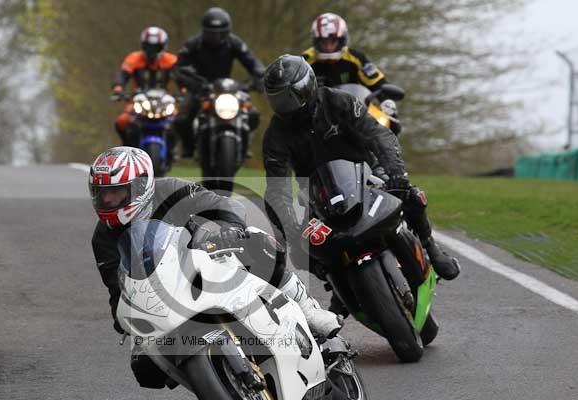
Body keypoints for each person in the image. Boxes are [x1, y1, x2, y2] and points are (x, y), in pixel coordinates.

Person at [90, 146, 342, 388]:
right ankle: (216, 380)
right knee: (145, 369)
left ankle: (307, 310)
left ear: (141, 185)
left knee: (257, 243)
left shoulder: (169, 189)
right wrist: (126, 322)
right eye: (102, 193)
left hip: (202, 262)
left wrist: (230, 228)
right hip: (161, 299)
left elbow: (217, 203)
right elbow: (117, 287)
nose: (108, 199)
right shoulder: (102, 238)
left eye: (117, 191)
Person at [260, 55, 460, 295]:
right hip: (317, 194)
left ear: (308, 86)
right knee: (300, 249)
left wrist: (396, 174)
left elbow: (379, 135)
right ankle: (339, 287)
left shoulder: (339, 101)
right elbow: (277, 188)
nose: (286, 106)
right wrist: (290, 226)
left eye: (290, 97)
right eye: (279, 100)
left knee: (412, 195)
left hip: (367, 171)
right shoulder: (275, 135)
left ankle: (431, 246)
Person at [173, 7, 266, 158]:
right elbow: (179, 66)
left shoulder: (234, 43)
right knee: (181, 117)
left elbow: (252, 61)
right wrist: (189, 80)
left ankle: (245, 143)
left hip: (227, 88)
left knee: (253, 114)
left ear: (226, 32)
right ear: (204, 31)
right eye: (210, 33)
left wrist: (260, 76)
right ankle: (189, 147)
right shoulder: (194, 44)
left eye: (219, 33)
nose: (215, 37)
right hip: (199, 88)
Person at [111, 26, 179, 146]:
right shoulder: (134, 59)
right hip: (138, 100)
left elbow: (182, 78)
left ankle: (173, 151)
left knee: (180, 122)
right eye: (149, 47)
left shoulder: (171, 61)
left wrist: (185, 91)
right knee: (122, 122)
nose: (152, 51)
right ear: (143, 46)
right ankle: (126, 147)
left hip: (164, 101)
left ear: (163, 46)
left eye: (156, 47)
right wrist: (118, 88)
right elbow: (122, 75)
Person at [302, 13, 387, 90]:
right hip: (317, 106)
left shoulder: (356, 57)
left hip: (353, 105)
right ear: (316, 41)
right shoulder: (304, 61)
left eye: (333, 41)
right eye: (324, 42)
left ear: (341, 40)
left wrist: (387, 101)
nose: (328, 47)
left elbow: (377, 82)